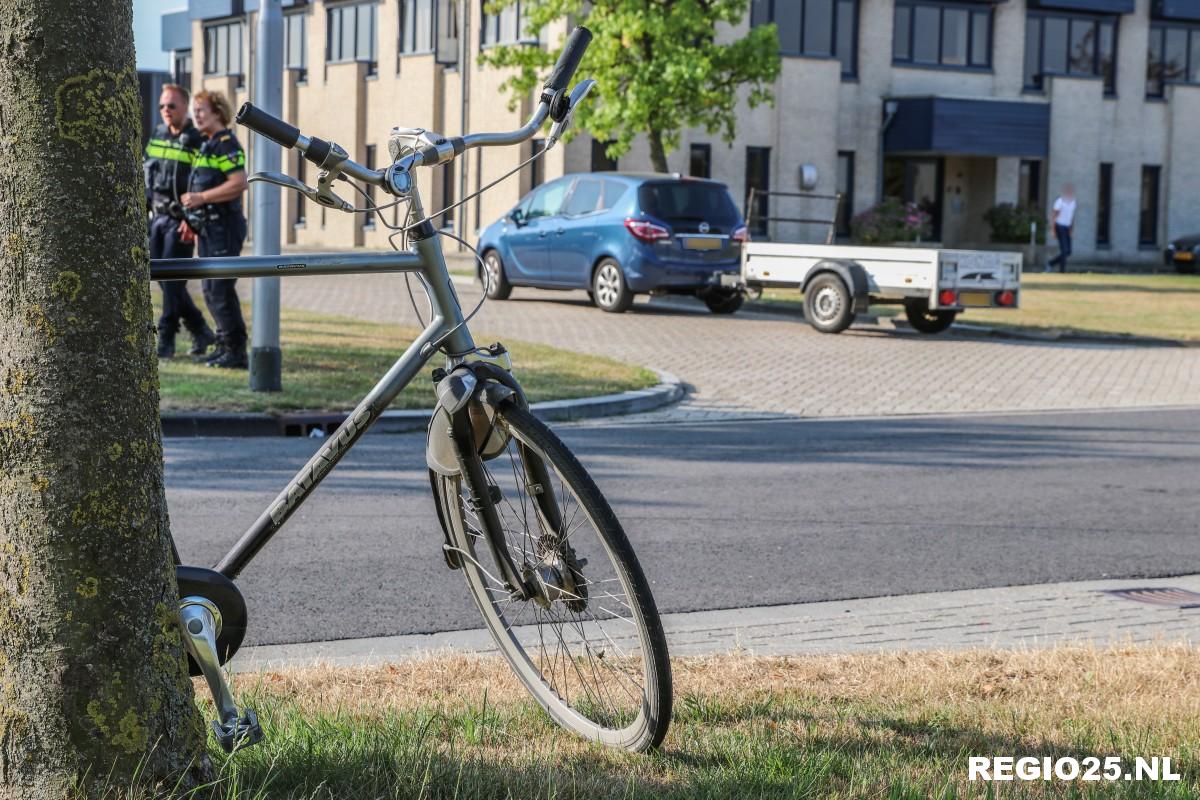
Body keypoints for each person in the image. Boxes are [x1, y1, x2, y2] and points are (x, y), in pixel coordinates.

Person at [144, 83, 216, 360]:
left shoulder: (198, 140)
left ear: (184, 108)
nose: (165, 110)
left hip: (180, 221)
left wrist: (193, 221)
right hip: (158, 219)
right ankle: (200, 329)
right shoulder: (159, 134)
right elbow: (148, 175)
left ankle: (167, 338)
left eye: (171, 106)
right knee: (162, 280)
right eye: (162, 105)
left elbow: (204, 182)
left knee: (173, 283)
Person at [182, 90, 250, 370]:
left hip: (224, 226)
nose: (195, 115)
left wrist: (202, 199)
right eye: (194, 110)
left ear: (218, 113)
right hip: (208, 227)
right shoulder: (207, 144)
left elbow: (239, 182)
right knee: (210, 290)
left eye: (201, 110)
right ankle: (223, 346)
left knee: (220, 290)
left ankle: (236, 351)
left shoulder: (226, 143)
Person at [1047, 184, 1076, 273]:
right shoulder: (1059, 202)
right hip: (1060, 226)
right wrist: (1053, 230)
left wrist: (1071, 229)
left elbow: (1072, 217)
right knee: (1064, 250)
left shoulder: (1073, 202)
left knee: (1068, 251)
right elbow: (1054, 216)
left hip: (1067, 227)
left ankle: (1051, 263)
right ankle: (1062, 271)